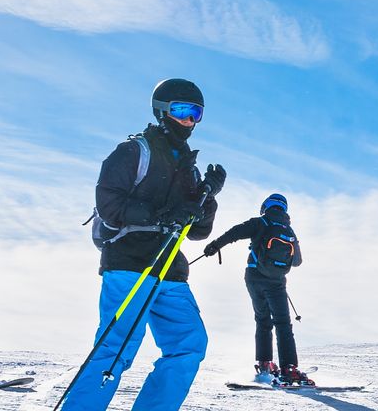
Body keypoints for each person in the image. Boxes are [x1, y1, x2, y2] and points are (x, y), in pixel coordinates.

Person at [61, 78, 225, 411]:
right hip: (130, 261)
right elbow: (109, 203)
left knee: (189, 345)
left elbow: (198, 232)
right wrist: (163, 214)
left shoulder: (190, 169)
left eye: (196, 113)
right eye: (181, 110)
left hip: (170, 268)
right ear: (162, 110)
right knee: (116, 348)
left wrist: (207, 197)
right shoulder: (135, 151)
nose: (188, 121)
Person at [202, 193, 310, 387]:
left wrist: (214, 246)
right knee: (283, 324)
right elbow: (297, 262)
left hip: (254, 278)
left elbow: (235, 232)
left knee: (262, 320)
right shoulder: (290, 231)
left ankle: (264, 364)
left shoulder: (260, 222)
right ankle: (289, 368)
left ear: (265, 206)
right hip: (277, 283)